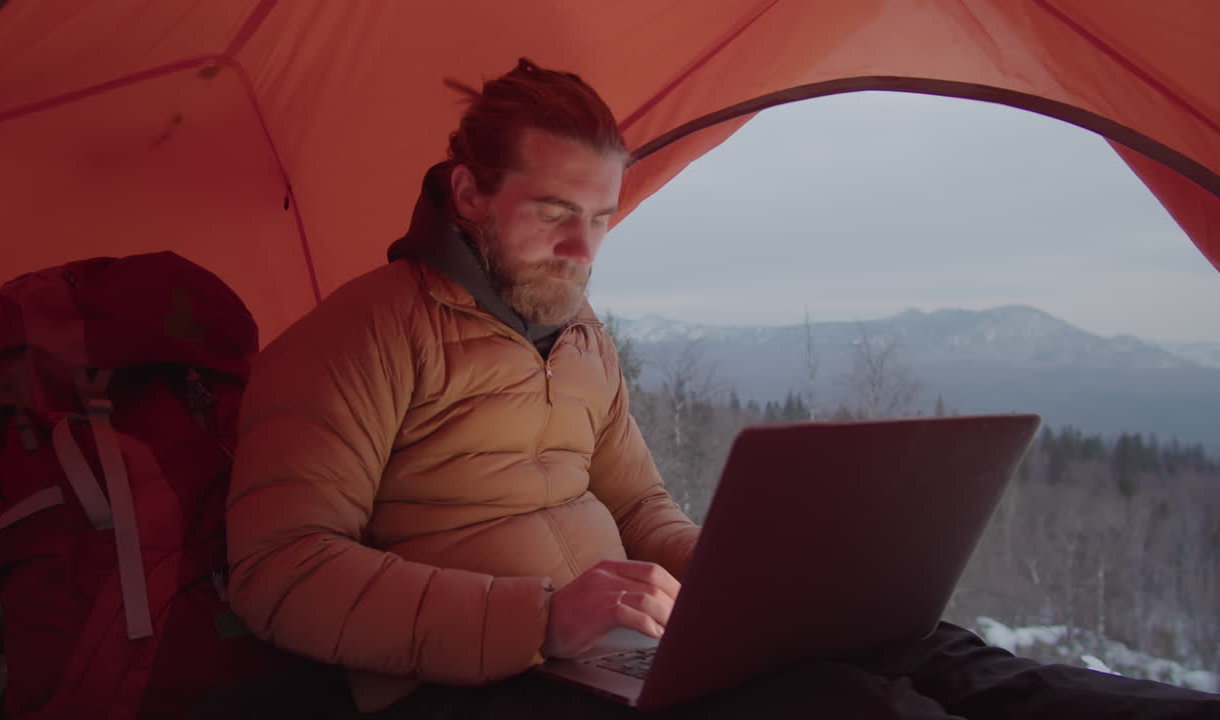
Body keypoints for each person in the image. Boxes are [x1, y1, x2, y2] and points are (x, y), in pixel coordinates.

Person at [223, 59, 1219, 718]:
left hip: (613, 659)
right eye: (553, 212)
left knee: (923, 649)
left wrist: (766, 587)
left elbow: (643, 512)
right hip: (475, 684)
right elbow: (278, 569)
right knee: (844, 705)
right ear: (468, 195)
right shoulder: (360, 334)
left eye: (603, 219)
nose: (582, 247)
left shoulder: (580, 343)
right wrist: (535, 618)